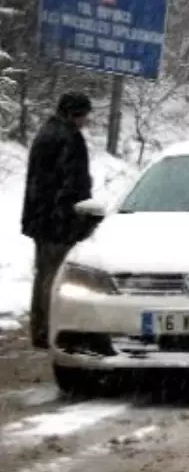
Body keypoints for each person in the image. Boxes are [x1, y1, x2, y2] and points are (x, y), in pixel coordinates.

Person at [21, 92, 95, 349]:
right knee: (55, 277)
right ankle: (51, 329)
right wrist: (77, 218)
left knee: (43, 275)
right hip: (58, 221)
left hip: (40, 217)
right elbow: (72, 185)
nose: (87, 119)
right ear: (74, 113)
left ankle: (40, 330)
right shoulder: (69, 138)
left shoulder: (47, 132)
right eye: (85, 113)